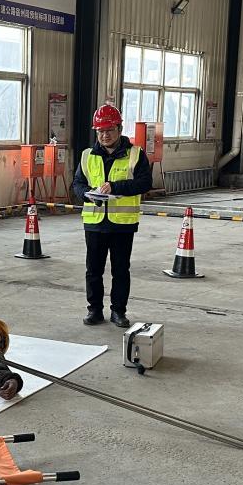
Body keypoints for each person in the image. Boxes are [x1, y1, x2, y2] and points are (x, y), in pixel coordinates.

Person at [71, 103, 153, 328]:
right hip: (94, 222)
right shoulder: (87, 155)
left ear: (119, 129)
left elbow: (145, 183)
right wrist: (88, 195)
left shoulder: (135, 154)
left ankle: (118, 311)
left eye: (109, 130)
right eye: (100, 131)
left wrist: (115, 187)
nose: (104, 135)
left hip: (122, 224)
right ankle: (94, 310)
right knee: (93, 271)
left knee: (121, 270)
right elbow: (77, 183)